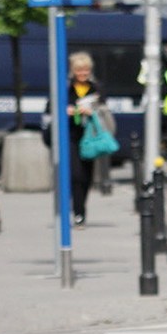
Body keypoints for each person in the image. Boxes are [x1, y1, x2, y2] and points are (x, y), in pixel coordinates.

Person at [62, 51, 104, 227]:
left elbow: (104, 110)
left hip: (90, 136)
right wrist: (67, 111)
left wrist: (92, 112)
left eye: (85, 70)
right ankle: (78, 212)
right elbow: (52, 108)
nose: (82, 73)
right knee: (76, 175)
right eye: (79, 70)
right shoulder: (66, 88)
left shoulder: (96, 88)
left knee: (87, 176)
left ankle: (81, 206)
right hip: (71, 135)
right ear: (73, 70)